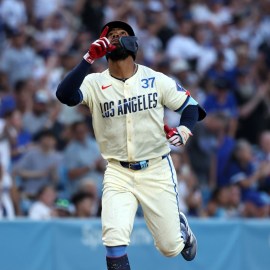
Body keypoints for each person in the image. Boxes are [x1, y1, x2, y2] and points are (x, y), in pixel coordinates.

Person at [56, 21, 206, 270]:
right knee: (113, 238)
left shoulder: (155, 79)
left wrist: (184, 129)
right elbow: (64, 95)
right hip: (118, 171)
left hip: (156, 169)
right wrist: (87, 59)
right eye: (111, 35)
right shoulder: (95, 82)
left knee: (170, 248)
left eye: (122, 34)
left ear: (133, 43)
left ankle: (180, 228)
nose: (115, 38)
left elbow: (191, 107)